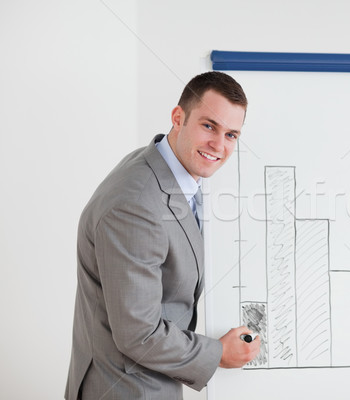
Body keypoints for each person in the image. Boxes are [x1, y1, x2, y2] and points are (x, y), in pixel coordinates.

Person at [65, 71, 260, 399]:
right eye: (209, 126)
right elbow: (138, 334)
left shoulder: (161, 165)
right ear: (178, 117)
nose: (219, 145)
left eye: (231, 135)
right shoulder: (136, 203)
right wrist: (216, 354)